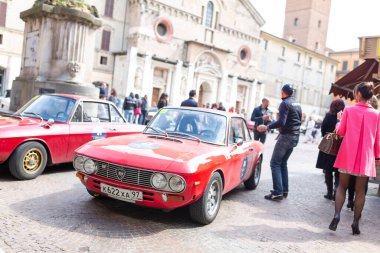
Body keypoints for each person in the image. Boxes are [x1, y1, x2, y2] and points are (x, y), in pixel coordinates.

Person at [328, 82, 379, 235]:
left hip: (347, 154)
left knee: (342, 186)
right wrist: (377, 157)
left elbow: (341, 132)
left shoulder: (349, 110)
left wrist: (339, 121)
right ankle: (355, 223)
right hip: (365, 157)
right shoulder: (377, 114)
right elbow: (378, 139)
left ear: (358, 94)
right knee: (360, 191)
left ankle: (337, 215)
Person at [257, 84, 302, 201]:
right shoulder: (297, 103)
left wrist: (267, 127)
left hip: (286, 137)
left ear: (283, 92)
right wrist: (276, 126)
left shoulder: (284, 103)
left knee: (275, 163)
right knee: (283, 163)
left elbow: (282, 122)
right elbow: (293, 121)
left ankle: (277, 192)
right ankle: (284, 190)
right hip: (295, 137)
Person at [346, 95, 378, 211]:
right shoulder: (376, 115)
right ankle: (355, 210)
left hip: (352, 152)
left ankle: (350, 200)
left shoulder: (353, 110)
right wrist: (377, 156)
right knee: (362, 185)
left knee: (351, 179)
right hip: (367, 154)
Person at [316, 99, 345, 200]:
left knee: (328, 171)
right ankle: (336, 192)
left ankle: (329, 192)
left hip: (328, 148)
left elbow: (323, 130)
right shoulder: (344, 117)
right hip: (340, 148)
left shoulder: (328, 116)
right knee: (338, 171)